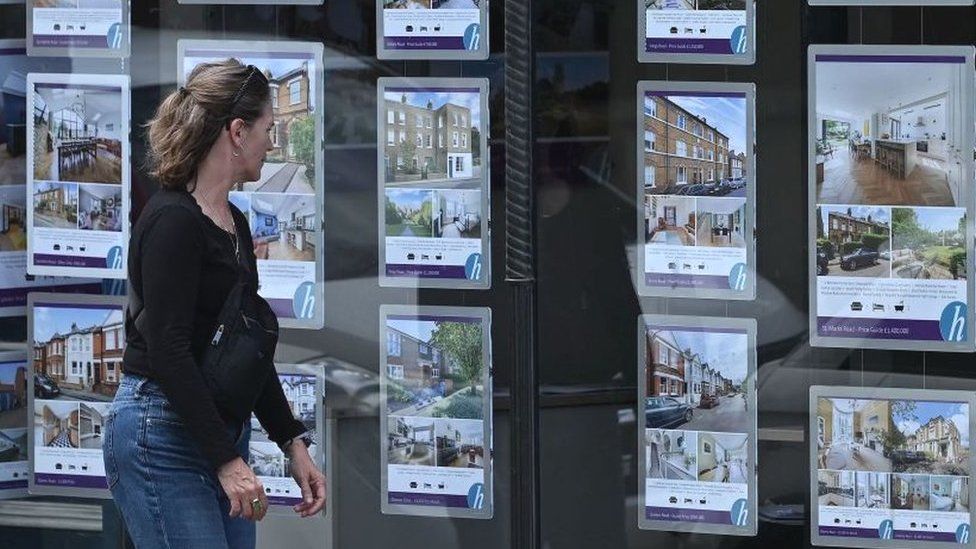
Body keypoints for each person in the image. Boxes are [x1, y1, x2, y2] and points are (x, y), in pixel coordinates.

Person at [103, 59, 326, 549]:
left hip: (217, 429)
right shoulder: (172, 222)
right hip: (157, 434)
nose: (273, 142)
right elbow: (168, 349)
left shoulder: (234, 224)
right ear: (238, 131)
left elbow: (246, 350)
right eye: (269, 129)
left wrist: (292, 442)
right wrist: (226, 460)